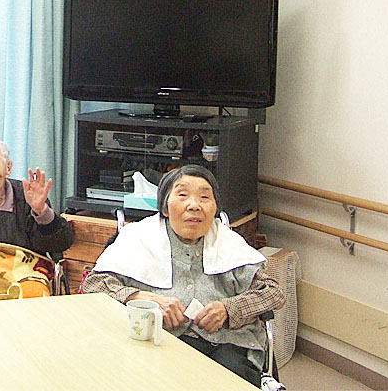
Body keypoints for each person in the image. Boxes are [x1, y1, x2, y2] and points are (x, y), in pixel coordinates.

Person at [82, 165, 284, 386]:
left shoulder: (228, 243)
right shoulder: (139, 238)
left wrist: (228, 309)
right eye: (182, 195)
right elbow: (92, 285)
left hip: (226, 343)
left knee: (230, 377)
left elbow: (272, 292)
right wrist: (140, 298)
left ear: (215, 208)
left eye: (204, 197)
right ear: (165, 207)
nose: (194, 205)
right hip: (157, 339)